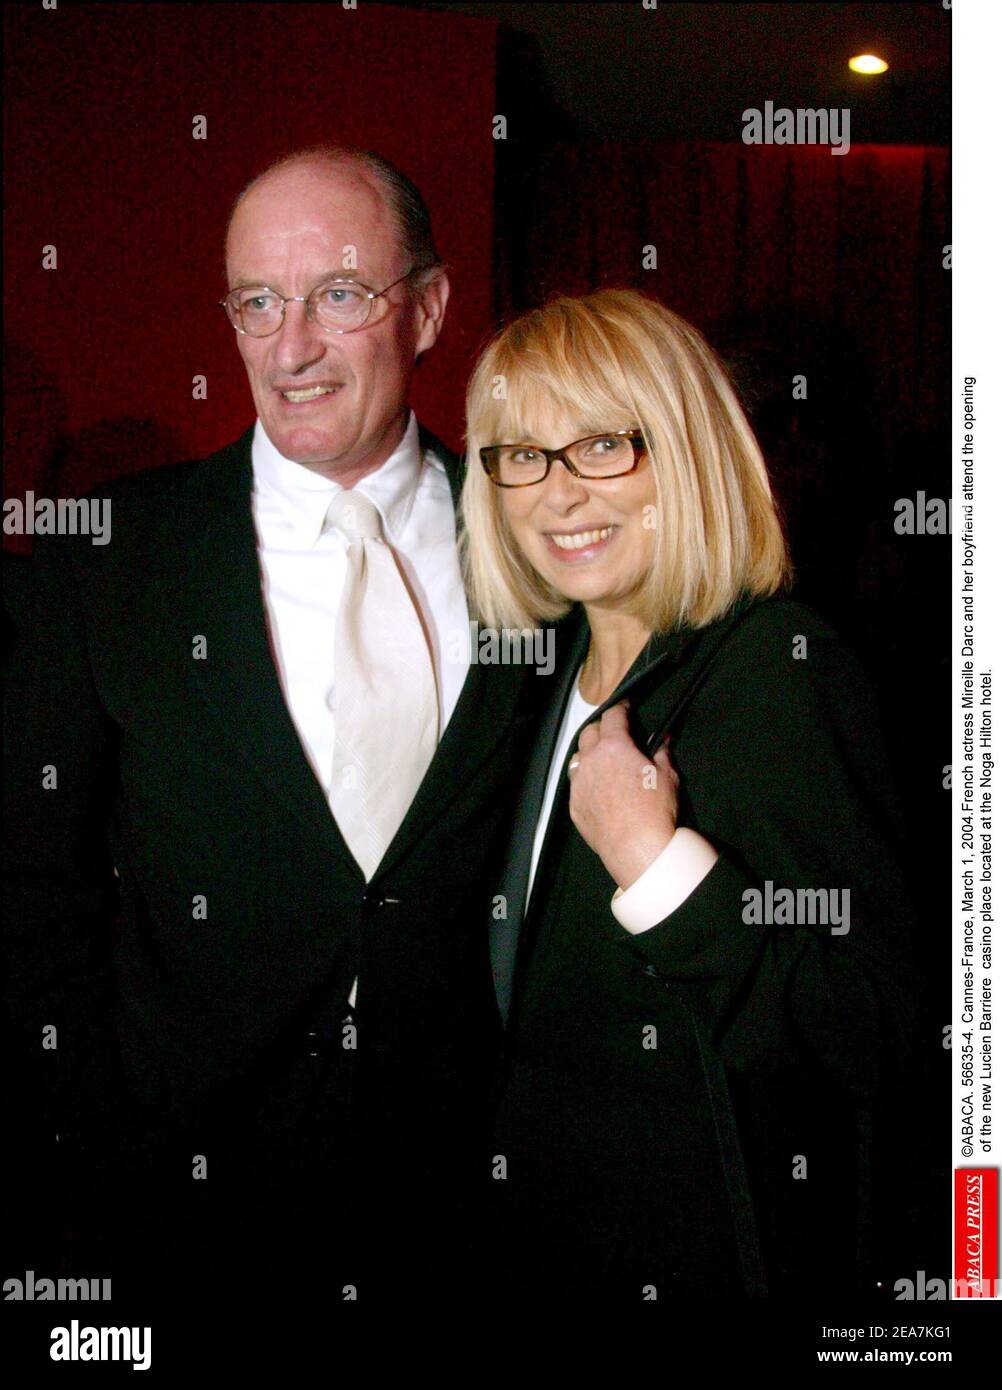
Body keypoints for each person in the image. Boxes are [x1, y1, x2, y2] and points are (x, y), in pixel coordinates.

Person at [5, 145, 540, 1314]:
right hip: (179, 1206)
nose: (290, 347)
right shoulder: (112, 555)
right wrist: (83, 1143)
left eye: (339, 294)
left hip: (460, 1203)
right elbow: (34, 886)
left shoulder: (535, 544)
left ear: (430, 307)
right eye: (258, 301)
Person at [460, 288, 918, 1302]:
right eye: (524, 455)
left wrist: (661, 870)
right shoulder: (537, 680)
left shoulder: (773, 671)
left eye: (605, 445)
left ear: (690, 453)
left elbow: (885, 1032)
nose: (560, 493)